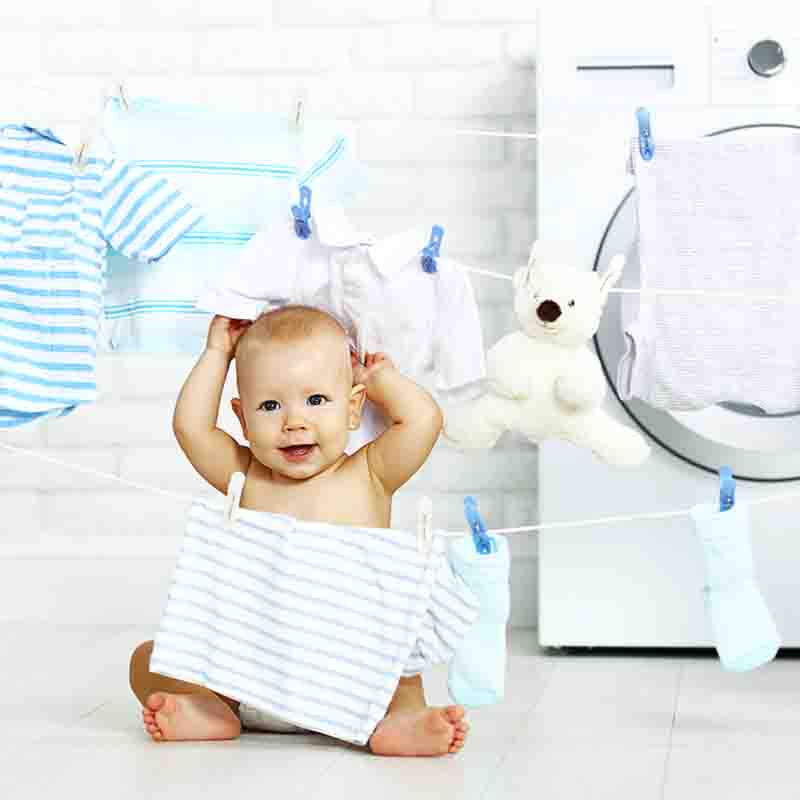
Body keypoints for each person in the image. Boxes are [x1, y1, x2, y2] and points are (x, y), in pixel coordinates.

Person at [128, 305, 470, 756]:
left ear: (353, 408)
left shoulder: (370, 474)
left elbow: (424, 421)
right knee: (149, 659)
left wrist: (381, 380)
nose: (294, 422)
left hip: (353, 681)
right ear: (243, 419)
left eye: (316, 400)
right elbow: (191, 427)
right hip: (249, 676)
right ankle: (212, 708)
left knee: (401, 659)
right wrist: (216, 354)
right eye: (270, 406)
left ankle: (399, 719)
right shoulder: (245, 475)